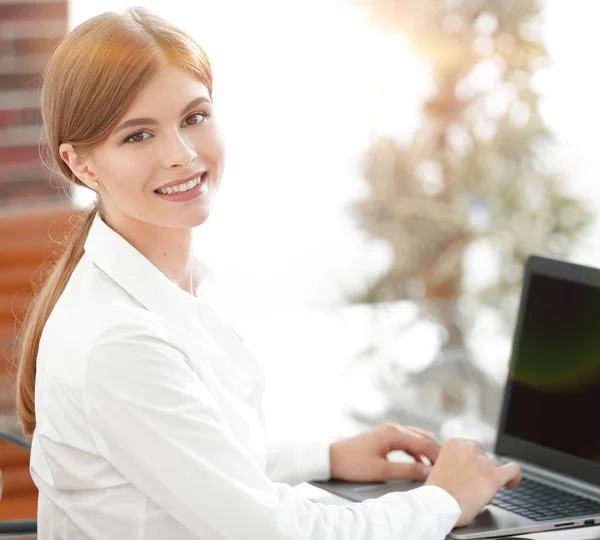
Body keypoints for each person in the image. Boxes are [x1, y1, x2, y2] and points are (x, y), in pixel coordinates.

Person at [14, 7, 520, 539]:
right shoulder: (117, 342)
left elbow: (193, 466)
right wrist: (443, 501)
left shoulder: (162, 287)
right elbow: (274, 532)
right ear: (82, 165)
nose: (182, 155)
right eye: (138, 136)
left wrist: (327, 456)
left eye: (193, 117)